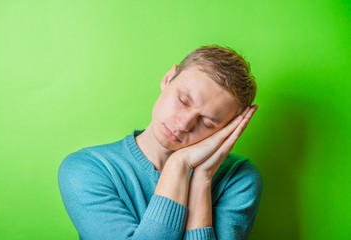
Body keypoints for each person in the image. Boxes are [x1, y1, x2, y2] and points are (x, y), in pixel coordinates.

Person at [58, 45, 262, 240]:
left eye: (207, 122)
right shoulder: (87, 168)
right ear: (167, 79)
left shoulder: (238, 178)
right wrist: (178, 165)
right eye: (183, 100)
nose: (183, 124)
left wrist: (201, 180)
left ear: (228, 130)